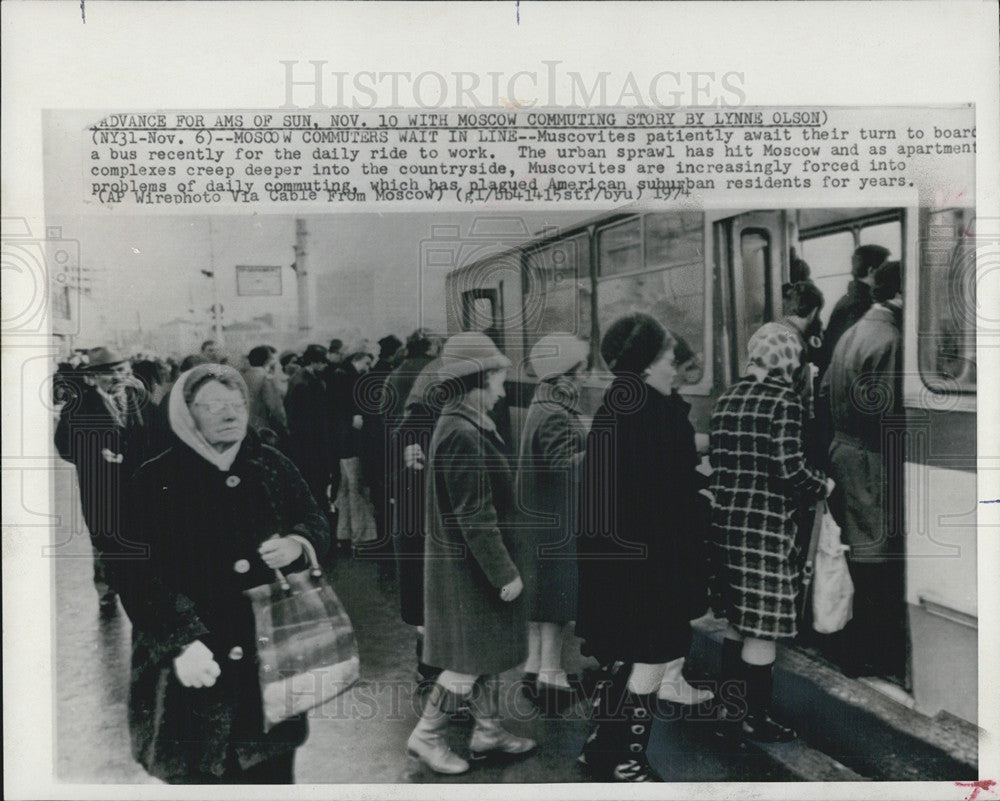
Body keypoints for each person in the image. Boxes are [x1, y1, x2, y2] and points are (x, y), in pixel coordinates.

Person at [113, 364, 329, 783]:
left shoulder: (272, 466)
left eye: (236, 404)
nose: (230, 414)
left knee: (269, 774)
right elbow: (132, 573)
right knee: (201, 775)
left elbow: (315, 518)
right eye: (213, 406)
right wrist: (180, 642)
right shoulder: (154, 478)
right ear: (186, 414)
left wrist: (299, 543)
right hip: (191, 667)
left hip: (264, 666)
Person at [576, 314, 713, 782]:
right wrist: (702, 498)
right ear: (649, 365)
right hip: (648, 565)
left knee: (625, 654)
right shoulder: (649, 416)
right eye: (671, 359)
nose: (677, 368)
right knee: (652, 654)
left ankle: (601, 747)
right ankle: (623, 758)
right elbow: (665, 498)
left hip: (618, 562)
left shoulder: (621, 406)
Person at [407, 332, 535, 775]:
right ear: (478, 378)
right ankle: (426, 736)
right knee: (464, 665)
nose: (503, 386)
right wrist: (505, 574)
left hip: (468, 569)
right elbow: (474, 516)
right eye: (498, 376)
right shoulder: (462, 431)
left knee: (482, 655)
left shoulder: (467, 421)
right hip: (471, 572)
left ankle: (488, 730)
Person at [709, 323, 833, 744]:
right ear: (789, 363)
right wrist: (822, 485)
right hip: (765, 528)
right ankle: (754, 718)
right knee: (762, 629)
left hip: (727, 524)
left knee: (737, 622)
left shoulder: (727, 397)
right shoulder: (783, 401)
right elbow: (788, 468)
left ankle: (728, 707)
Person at [820, 261, 906, 682]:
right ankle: (869, 655)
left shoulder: (853, 331)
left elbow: (824, 392)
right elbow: (888, 415)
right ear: (903, 295)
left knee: (858, 555)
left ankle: (853, 648)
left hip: (842, 450)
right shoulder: (890, 338)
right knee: (877, 560)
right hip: (871, 458)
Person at [515, 333, 589, 713]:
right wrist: (599, 449)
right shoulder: (557, 414)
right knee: (557, 607)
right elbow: (563, 467)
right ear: (564, 375)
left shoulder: (542, 406)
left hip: (539, 520)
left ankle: (536, 672)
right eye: (580, 370)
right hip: (554, 522)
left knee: (543, 607)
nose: (584, 377)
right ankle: (550, 675)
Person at [54, 346, 152, 614]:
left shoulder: (138, 397)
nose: (118, 377)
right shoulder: (79, 406)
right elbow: (64, 447)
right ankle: (107, 589)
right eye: (110, 373)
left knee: (137, 536)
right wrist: (96, 454)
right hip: (101, 488)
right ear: (92, 378)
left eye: (123, 371)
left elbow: (154, 434)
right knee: (105, 541)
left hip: (137, 486)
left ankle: (138, 586)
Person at [328, 339, 379, 554]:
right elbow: (357, 419)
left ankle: (345, 533)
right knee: (357, 489)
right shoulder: (352, 380)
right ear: (357, 358)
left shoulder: (338, 376)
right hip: (352, 445)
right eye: (366, 363)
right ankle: (362, 536)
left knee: (346, 490)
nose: (367, 368)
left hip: (341, 447)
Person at [817, 244, 890, 375]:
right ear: (871, 271)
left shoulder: (850, 298)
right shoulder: (860, 305)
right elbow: (854, 355)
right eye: (885, 269)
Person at [284, 344, 332, 508]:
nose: (325, 366)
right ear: (314, 362)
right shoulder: (305, 384)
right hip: (311, 446)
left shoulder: (300, 380)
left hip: (305, 444)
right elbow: (308, 420)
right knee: (315, 485)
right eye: (323, 362)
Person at [241, 345, 289, 449]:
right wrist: (285, 426)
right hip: (261, 428)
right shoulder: (266, 378)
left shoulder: (242, 376)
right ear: (267, 361)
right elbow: (275, 407)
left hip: (242, 426)